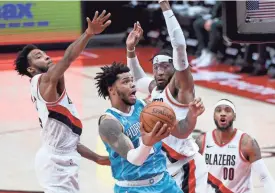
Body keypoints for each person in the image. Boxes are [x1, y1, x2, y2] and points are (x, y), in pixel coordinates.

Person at [14, 10, 111, 193]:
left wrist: (98, 159)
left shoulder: (47, 86)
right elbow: (67, 59)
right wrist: (88, 34)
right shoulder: (44, 81)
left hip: (58, 159)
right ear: (31, 69)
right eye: (38, 57)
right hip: (55, 164)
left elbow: (68, 141)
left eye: (44, 53)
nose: (47, 57)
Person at [126, 1, 208, 192]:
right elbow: (137, 79)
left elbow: (179, 46)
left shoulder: (180, 87)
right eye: (156, 67)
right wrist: (130, 50)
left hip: (186, 164)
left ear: (175, 67)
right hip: (164, 166)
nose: (159, 71)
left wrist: (165, 7)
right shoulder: (155, 89)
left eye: (165, 66)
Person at [95, 62, 184, 193]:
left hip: (164, 182)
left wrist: (191, 115)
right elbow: (134, 159)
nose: (132, 84)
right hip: (133, 188)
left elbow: (181, 130)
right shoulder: (109, 123)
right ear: (111, 89)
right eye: (125, 82)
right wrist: (148, 144)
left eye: (132, 80)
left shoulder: (145, 105)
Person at [195, 99, 275, 193]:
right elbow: (192, 175)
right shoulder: (202, 141)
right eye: (218, 110)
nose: (223, 113)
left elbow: (264, 177)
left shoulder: (247, 143)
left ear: (234, 116)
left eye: (228, 110)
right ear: (214, 116)